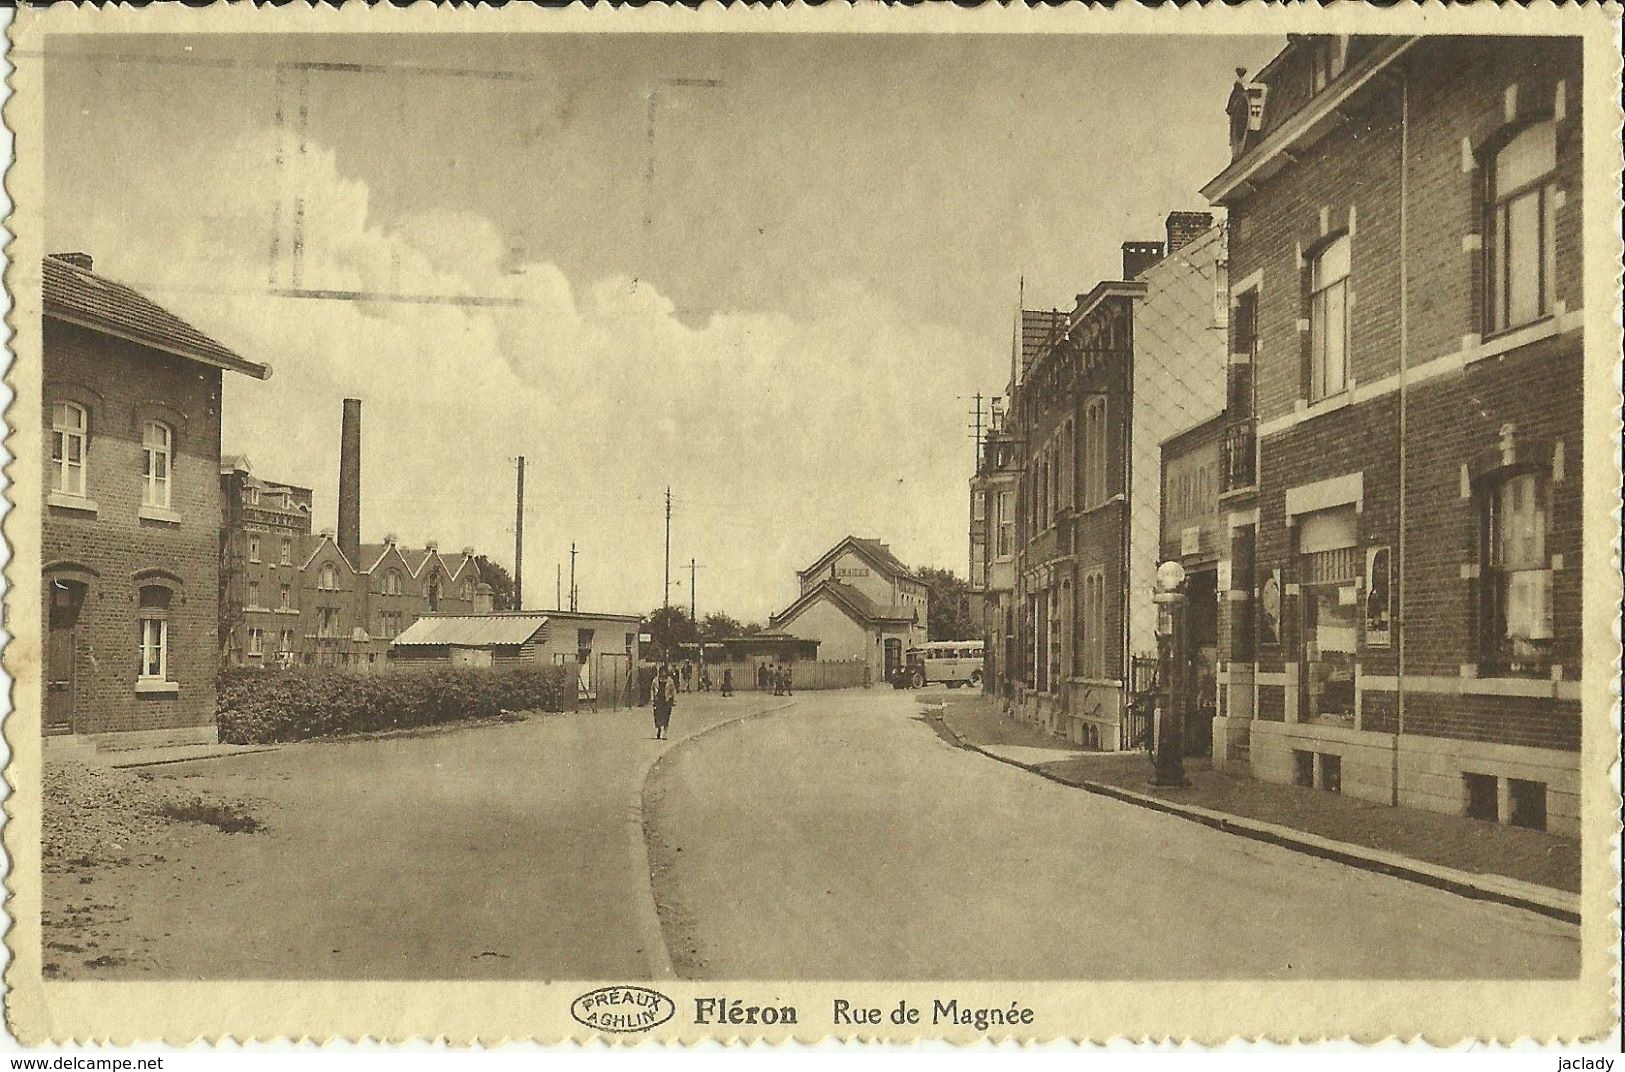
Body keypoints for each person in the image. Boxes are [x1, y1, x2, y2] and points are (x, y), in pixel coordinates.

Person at [652, 664, 676, 739]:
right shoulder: (655, 680)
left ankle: (665, 733)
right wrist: (652, 700)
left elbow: (673, 691)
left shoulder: (670, 681)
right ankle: (658, 729)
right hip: (658, 700)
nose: (663, 673)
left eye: (664, 672)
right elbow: (652, 690)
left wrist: (674, 700)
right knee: (657, 716)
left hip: (667, 700)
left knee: (666, 717)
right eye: (662, 672)